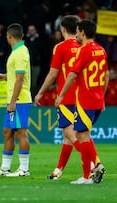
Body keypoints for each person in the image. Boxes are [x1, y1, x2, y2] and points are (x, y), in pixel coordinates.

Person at [35, 15, 103, 180]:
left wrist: (40, 92)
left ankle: (96, 165)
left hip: (67, 98)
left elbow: (53, 74)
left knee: (74, 135)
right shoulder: (84, 46)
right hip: (83, 96)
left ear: (63, 29)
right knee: (70, 137)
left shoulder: (61, 47)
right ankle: (58, 170)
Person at [55, 19, 108, 184]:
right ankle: (93, 168)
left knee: (82, 135)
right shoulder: (101, 50)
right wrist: (103, 97)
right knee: (81, 134)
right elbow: (106, 76)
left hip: (85, 100)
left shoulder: (84, 50)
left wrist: (61, 95)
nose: (76, 34)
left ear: (83, 32)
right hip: (98, 100)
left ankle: (88, 175)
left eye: (78, 31)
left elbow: (72, 74)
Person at [0, 23, 32, 177]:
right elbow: (18, 76)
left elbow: (20, 79)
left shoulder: (20, 53)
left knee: (21, 133)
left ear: (9, 36)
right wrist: (5, 76)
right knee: (7, 132)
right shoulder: (18, 51)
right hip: (14, 99)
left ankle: (24, 169)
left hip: (19, 100)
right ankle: (5, 168)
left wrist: (13, 102)